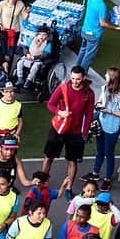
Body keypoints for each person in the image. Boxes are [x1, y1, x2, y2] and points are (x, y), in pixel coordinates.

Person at [41, 66, 94, 197]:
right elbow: (51, 104)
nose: (75, 81)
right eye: (73, 78)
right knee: (48, 157)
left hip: (75, 133)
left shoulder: (89, 93)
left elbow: (89, 114)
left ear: (83, 78)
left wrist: (85, 133)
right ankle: (42, 183)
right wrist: (60, 112)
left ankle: (69, 188)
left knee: (73, 161)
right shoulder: (63, 87)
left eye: (78, 79)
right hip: (59, 129)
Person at [86, 68, 120, 189]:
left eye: (107, 74)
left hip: (112, 128)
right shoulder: (104, 88)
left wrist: (109, 111)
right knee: (100, 150)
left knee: (109, 153)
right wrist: (99, 106)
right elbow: (100, 101)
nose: (105, 75)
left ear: (112, 78)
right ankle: (95, 173)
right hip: (101, 124)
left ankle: (108, 178)